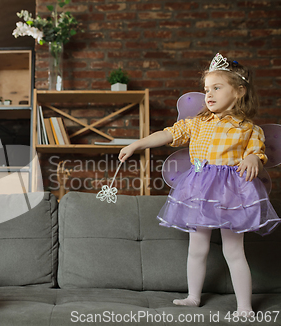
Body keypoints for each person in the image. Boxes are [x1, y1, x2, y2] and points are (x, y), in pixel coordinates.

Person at [119, 53, 280, 317]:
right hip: (198, 190)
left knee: (234, 250)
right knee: (198, 248)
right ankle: (193, 296)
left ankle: (244, 307)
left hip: (231, 193)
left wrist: (253, 157)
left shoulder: (249, 129)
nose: (209, 94)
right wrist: (137, 144)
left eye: (217, 87)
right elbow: (169, 133)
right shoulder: (197, 123)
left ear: (239, 91)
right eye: (207, 89)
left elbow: (258, 153)